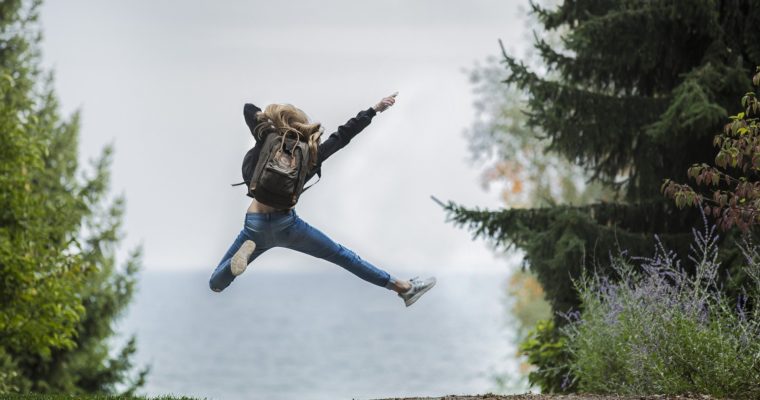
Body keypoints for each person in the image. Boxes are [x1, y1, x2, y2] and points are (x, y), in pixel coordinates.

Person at [208, 92, 436, 307]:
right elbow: (343, 135)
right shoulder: (311, 154)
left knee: (216, 284)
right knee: (343, 256)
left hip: (254, 225)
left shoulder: (267, 139)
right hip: (287, 226)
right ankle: (403, 288)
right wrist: (374, 110)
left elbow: (249, 109)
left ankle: (236, 264)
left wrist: (270, 123)